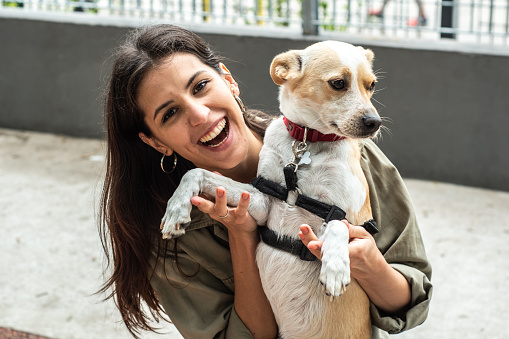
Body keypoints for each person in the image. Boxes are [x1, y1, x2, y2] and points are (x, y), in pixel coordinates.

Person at [99, 24, 432, 339]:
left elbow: (412, 299)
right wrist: (241, 234)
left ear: (228, 80)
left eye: (200, 86)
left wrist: (370, 264)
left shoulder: (354, 154)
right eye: (169, 113)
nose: (199, 115)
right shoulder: (174, 236)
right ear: (156, 141)